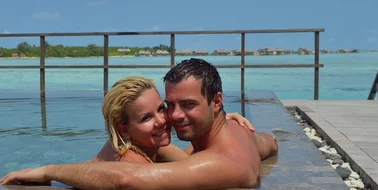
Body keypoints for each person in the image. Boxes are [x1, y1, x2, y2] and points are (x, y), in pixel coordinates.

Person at [0, 58, 278, 190]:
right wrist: (230, 119)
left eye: (189, 105)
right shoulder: (242, 134)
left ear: (216, 101)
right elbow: (270, 142)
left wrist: (50, 170)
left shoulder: (220, 162)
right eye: (170, 105)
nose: (173, 117)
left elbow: (127, 178)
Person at [91, 75, 255, 164]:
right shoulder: (131, 162)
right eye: (146, 117)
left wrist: (217, 121)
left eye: (161, 108)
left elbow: (190, 162)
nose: (161, 120)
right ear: (124, 130)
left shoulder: (150, 146)